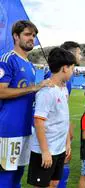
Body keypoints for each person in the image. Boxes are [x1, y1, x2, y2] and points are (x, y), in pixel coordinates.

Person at [0, 20, 50, 187]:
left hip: (26, 128)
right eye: (28, 34)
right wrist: (34, 88)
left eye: (34, 35)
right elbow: (1, 92)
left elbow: (30, 94)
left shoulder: (30, 65)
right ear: (16, 36)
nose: (32, 39)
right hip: (8, 128)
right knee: (6, 174)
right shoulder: (7, 59)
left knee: (19, 173)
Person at [27, 47, 75, 187]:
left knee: (54, 184)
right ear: (65, 68)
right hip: (46, 150)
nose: (73, 72)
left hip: (59, 148)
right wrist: (45, 151)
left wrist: (67, 143)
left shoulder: (64, 89)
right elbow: (38, 122)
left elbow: (64, 119)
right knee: (43, 185)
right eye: (72, 68)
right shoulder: (46, 92)